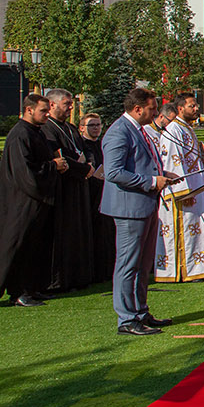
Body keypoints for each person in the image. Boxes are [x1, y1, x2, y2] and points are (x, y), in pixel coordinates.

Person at [101, 88, 177, 336]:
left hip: (145, 204)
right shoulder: (119, 132)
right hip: (129, 208)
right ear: (137, 109)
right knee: (128, 263)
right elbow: (114, 172)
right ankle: (126, 318)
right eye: (152, 109)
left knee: (143, 264)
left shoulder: (138, 129)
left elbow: (141, 163)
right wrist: (152, 181)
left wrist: (162, 175)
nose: (155, 113)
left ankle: (141, 312)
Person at [0, 94, 63, 307]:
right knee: (19, 246)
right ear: (29, 110)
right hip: (21, 202)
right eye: (43, 111)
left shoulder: (36, 132)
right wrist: (54, 165)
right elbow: (25, 172)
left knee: (34, 246)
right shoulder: (19, 135)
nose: (47, 115)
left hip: (37, 201)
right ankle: (18, 292)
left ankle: (31, 288)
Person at [152, 94, 204, 282]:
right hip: (183, 192)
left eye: (196, 105)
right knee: (185, 229)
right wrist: (183, 192)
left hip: (195, 187)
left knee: (196, 228)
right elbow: (172, 162)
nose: (196, 109)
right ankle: (184, 270)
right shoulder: (173, 130)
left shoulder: (187, 129)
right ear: (180, 109)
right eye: (192, 106)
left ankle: (197, 268)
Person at [40, 87, 95, 292]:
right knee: (64, 235)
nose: (70, 108)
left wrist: (89, 164)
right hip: (64, 188)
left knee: (79, 232)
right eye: (66, 104)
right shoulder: (48, 129)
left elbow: (83, 149)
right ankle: (59, 281)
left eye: (71, 104)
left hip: (79, 186)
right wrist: (84, 169)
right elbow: (60, 156)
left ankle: (79, 277)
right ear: (52, 104)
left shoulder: (70, 128)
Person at [78, 112, 115, 283]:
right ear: (82, 128)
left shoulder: (103, 145)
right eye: (91, 125)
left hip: (106, 192)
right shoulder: (82, 146)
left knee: (107, 231)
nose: (96, 128)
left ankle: (107, 270)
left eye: (98, 125)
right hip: (89, 194)